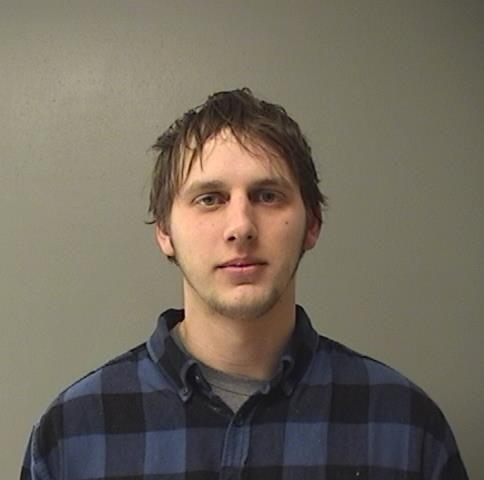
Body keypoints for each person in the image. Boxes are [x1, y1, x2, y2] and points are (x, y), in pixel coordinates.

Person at [21, 88, 468, 479]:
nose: (241, 227)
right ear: (165, 232)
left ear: (312, 225)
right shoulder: (72, 433)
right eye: (209, 199)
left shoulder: (406, 427)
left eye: (267, 196)